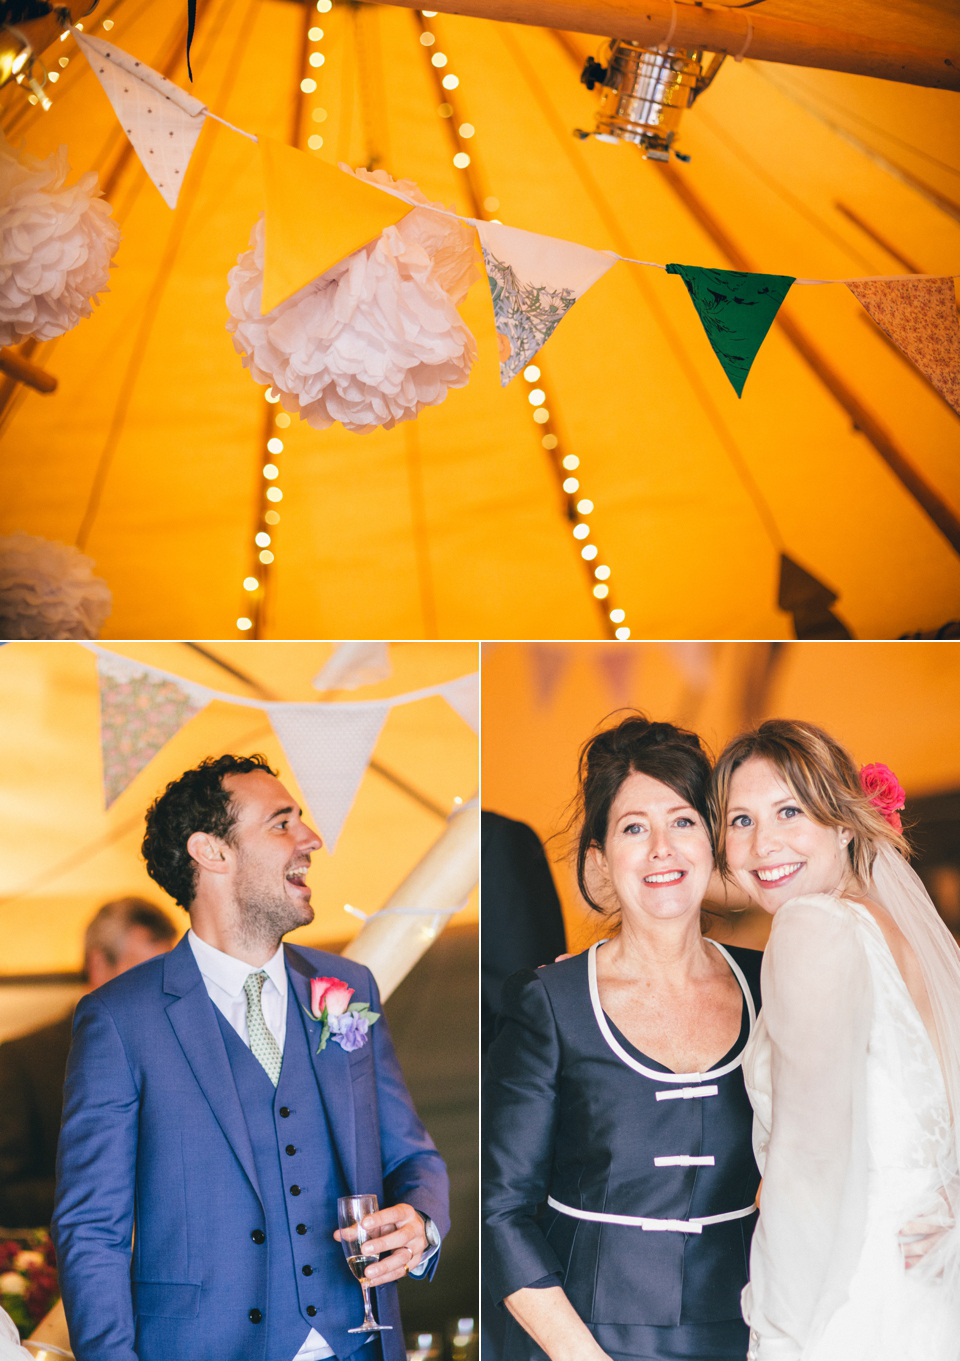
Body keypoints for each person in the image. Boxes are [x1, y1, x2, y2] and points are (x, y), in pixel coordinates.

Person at [52, 753, 449, 1361]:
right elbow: (92, 1232)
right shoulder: (119, 1019)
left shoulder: (349, 988)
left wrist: (422, 1222)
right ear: (212, 852)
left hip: (358, 1345)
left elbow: (412, 1155)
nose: (311, 839)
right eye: (282, 823)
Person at [483, 715, 763, 1361]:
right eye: (635, 827)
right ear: (600, 861)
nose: (662, 846)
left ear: (715, 841)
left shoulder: (773, 984)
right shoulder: (550, 1001)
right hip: (582, 1333)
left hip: (752, 1330)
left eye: (683, 820)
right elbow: (501, 1212)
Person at [711, 719, 960, 1361]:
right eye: (740, 820)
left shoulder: (812, 926)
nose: (763, 843)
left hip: (851, 1293)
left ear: (843, 823)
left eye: (789, 811)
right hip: (926, 1283)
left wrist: (779, 1328)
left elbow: (811, 1162)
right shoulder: (888, 931)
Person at [0, 897, 176, 1227]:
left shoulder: (177, 1054)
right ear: (98, 966)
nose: (160, 992)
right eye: (143, 974)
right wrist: (112, 1195)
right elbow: (6, 1194)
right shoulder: (22, 1061)